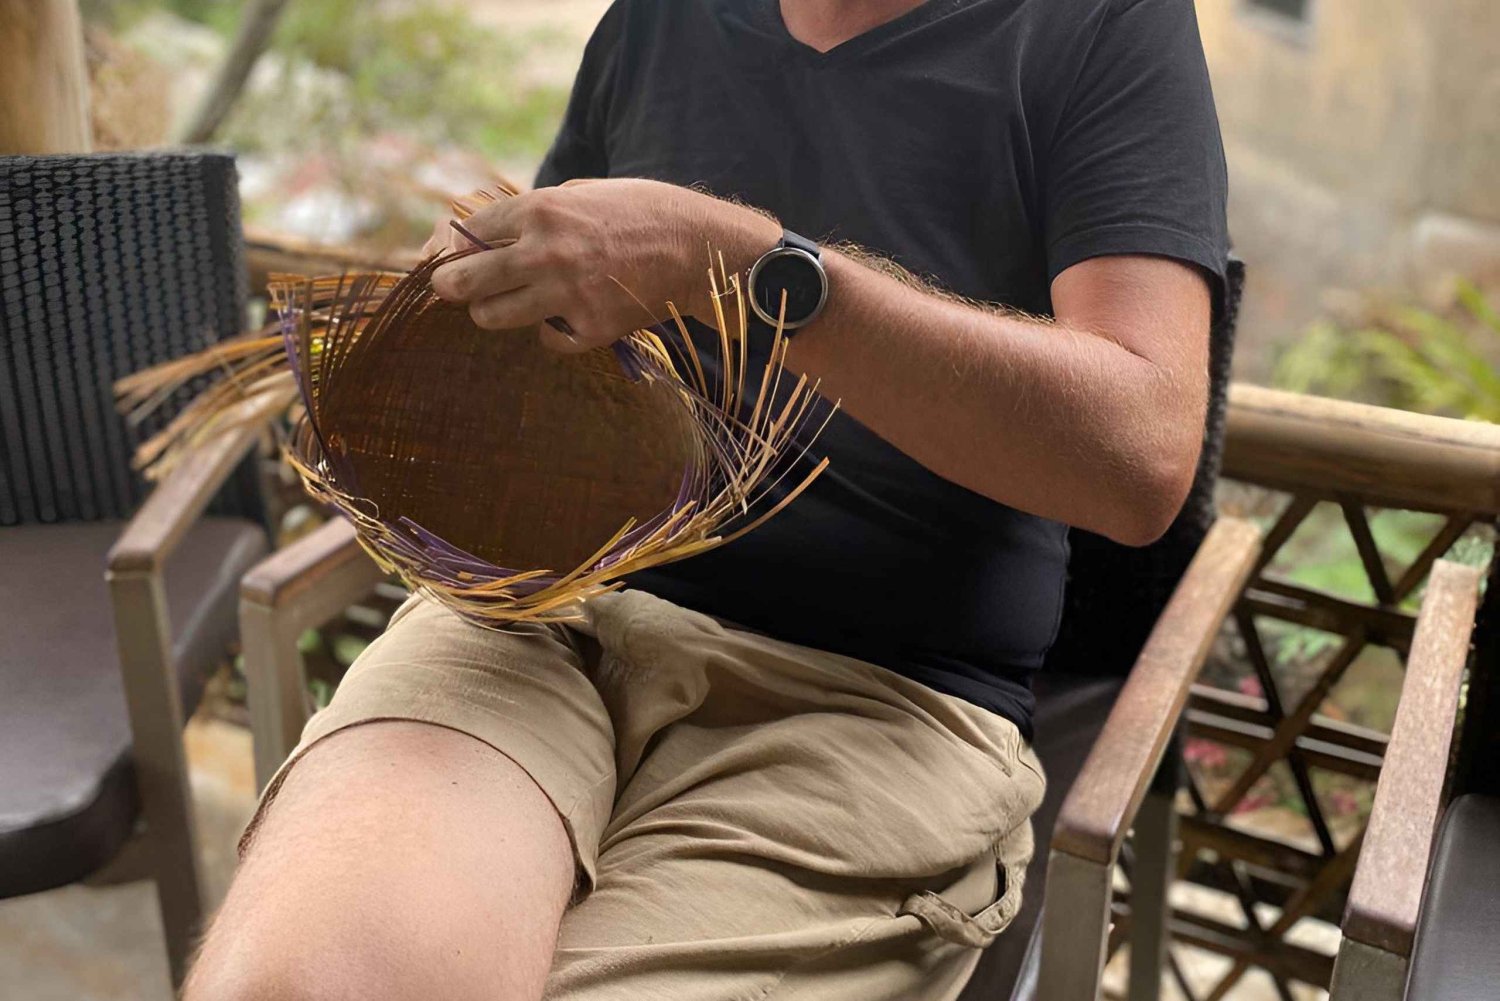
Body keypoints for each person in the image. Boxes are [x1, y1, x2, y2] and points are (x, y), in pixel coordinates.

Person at [186, 0, 1227, 998]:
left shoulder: (1102, 22)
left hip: (869, 698)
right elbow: (555, 337)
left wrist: (746, 270)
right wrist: (474, 308)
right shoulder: (660, 17)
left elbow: (1138, 457)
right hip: (544, 620)